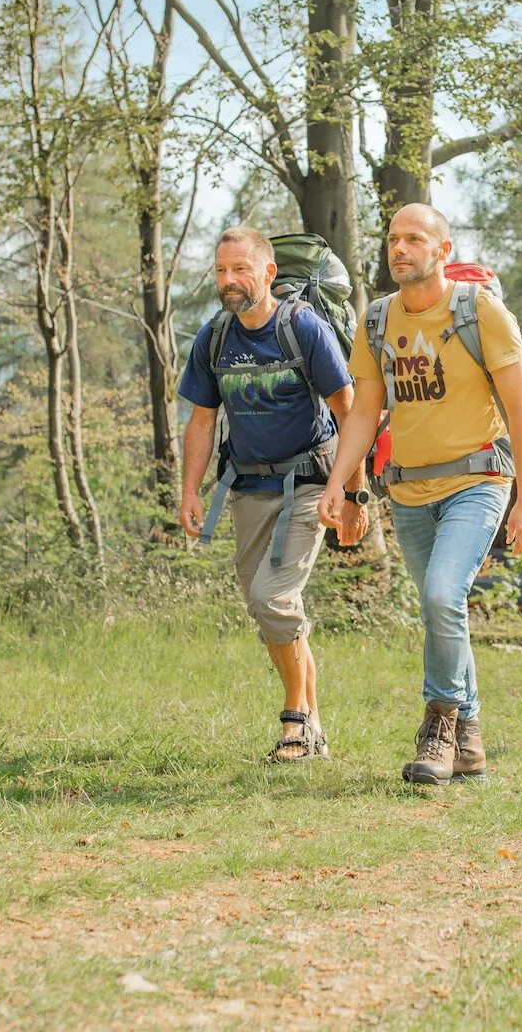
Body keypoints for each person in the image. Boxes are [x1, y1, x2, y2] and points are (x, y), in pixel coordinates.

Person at [319, 203, 522, 785]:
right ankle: (470, 740)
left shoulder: (481, 313)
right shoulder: (375, 321)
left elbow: (520, 409)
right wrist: (342, 484)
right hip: (409, 491)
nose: (401, 248)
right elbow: (365, 412)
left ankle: (439, 726)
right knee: (443, 613)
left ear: (443, 250)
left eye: (415, 239)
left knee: (443, 597)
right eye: (394, 239)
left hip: (477, 480)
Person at [179, 227, 369, 763]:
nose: (229, 281)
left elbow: (347, 410)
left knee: (272, 600)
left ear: (267, 274)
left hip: (309, 482)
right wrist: (190, 491)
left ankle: (295, 717)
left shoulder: (302, 328)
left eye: (240, 269)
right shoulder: (214, 336)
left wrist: (354, 494)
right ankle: (312, 728)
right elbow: (201, 420)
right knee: (269, 611)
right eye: (221, 270)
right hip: (247, 486)